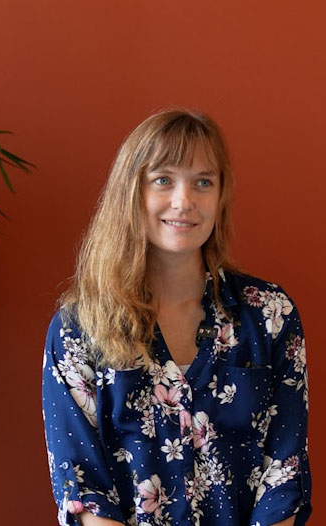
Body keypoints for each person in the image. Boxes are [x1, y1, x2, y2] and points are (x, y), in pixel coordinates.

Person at [41, 108, 312, 526]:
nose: (184, 201)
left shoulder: (270, 315)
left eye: (203, 182)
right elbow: (84, 491)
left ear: (221, 196)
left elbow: (284, 474)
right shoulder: (80, 327)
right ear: (131, 192)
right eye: (163, 180)